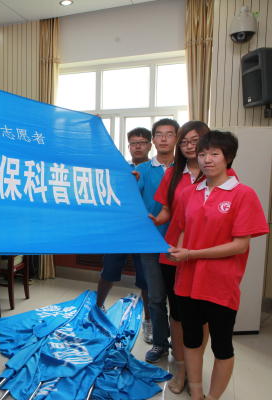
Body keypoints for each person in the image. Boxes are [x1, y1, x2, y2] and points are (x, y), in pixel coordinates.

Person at [168, 130, 268, 400]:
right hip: (187, 282)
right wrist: (179, 253)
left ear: (228, 157)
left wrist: (191, 254)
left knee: (222, 346)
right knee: (191, 340)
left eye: (214, 153)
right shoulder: (190, 192)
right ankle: (196, 392)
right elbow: (182, 229)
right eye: (202, 154)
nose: (207, 159)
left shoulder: (243, 194)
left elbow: (240, 245)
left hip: (220, 284)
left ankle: (213, 397)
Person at [96, 127, 153, 344]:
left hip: (145, 231)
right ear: (128, 146)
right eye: (133, 143)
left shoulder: (155, 169)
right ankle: (98, 307)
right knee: (108, 271)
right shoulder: (120, 169)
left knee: (146, 279)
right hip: (119, 229)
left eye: (142, 142)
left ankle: (149, 320)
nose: (138, 146)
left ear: (149, 145)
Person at [133, 118, 178, 364]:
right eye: (159, 134)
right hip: (151, 242)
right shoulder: (143, 170)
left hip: (181, 244)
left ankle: (180, 347)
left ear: (176, 139)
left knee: (180, 299)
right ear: (154, 140)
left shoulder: (186, 169)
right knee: (156, 298)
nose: (163, 139)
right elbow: (132, 200)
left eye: (169, 134)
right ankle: (160, 343)